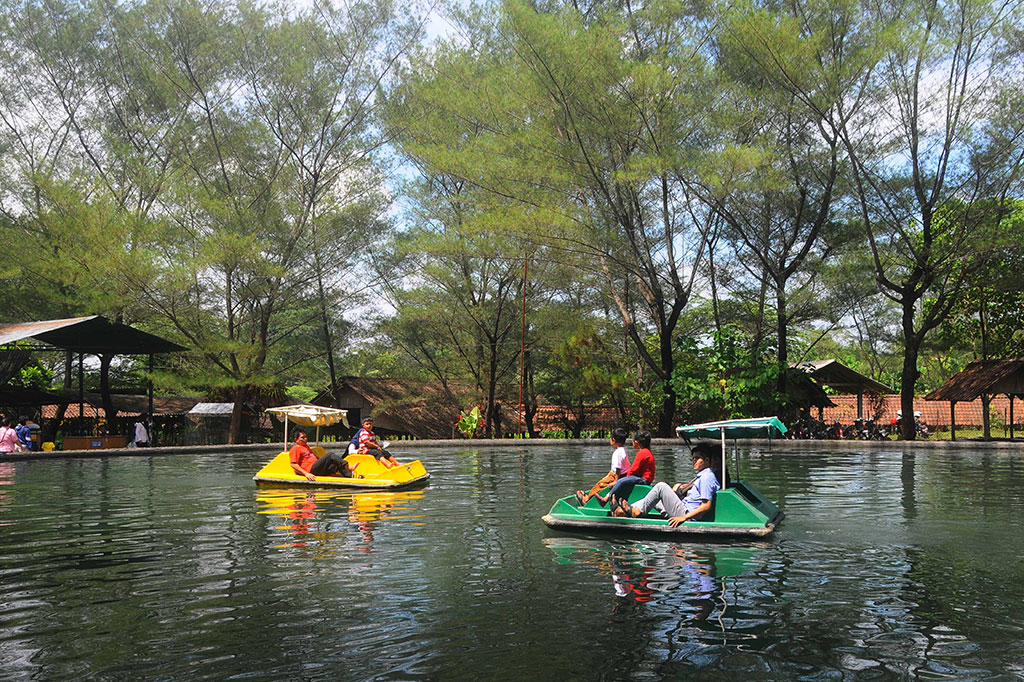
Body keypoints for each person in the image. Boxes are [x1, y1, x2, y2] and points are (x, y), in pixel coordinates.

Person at [611, 442, 722, 526]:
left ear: (707, 460)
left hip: (686, 513)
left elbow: (706, 506)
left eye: (697, 459)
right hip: (683, 507)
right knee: (656, 497)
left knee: (661, 486)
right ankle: (629, 511)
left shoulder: (706, 477)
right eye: (693, 458)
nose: (694, 461)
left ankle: (633, 511)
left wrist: (683, 517)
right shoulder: (702, 476)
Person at [594, 430, 656, 507]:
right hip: (645, 478)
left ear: (636, 442)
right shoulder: (647, 452)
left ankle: (606, 499)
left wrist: (625, 479)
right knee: (622, 481)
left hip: (644, 479)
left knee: (620, 482)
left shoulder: (642, 453)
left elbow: (634, 469)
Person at [575, 427, 631, 505]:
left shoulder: (617, 453)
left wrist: (616, 481)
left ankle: (586, 500)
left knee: (599, 485)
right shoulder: (623, 450)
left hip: (617, 476)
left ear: (613, 440)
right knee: (602, 481)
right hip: (620, 475)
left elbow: (618, 469)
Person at [289, 429, 359, 481]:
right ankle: (348, 466)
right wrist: (306, 474)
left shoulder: (305, 446)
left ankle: (351, 476)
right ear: (296, 439)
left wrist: (324, 461)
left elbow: (313, 457)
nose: (305, 439)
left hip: (317, 468)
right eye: (302, 438)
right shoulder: (295, 449)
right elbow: (293, 464)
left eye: (306, 437)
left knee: (335, 464)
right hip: (310, 470)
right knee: (330, 455)